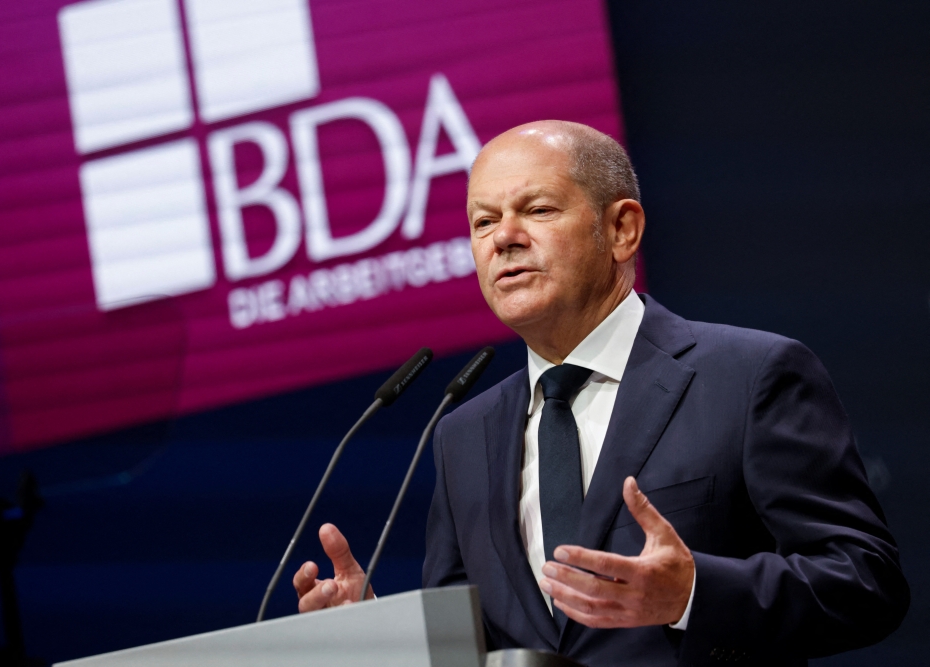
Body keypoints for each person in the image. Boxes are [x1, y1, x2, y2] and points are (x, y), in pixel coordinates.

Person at [292, 121, 909, 665]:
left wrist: (692, 593)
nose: (503, 237)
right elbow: (479, 645)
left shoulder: (750, 375)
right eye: (483, 221)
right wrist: (380, 634)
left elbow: (865, 582)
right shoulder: (463, 432)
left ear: (621, 229)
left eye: (536, 210)